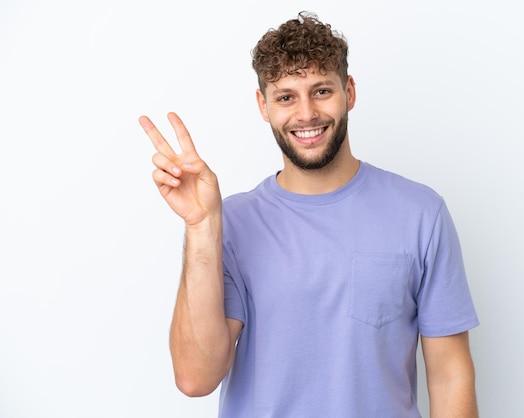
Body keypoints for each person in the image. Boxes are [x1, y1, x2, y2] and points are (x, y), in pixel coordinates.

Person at [139, 11, 479, 418]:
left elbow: (449, 374)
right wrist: (199, 225)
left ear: (349, 92)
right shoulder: (229, 224)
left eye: (321, 91)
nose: (305, 114)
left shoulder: (421, 214)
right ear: (263, 105)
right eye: (286, 96)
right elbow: (196, 378)